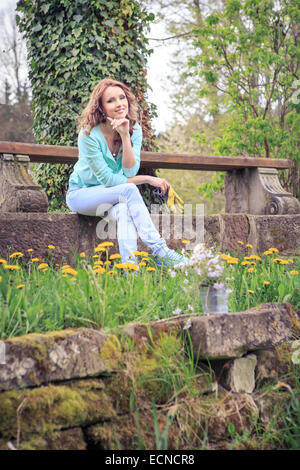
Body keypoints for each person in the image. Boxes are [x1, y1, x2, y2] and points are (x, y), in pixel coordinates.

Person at [66, 78, 186, 269]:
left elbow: (130, 169)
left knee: (123, 210)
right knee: (128, 190)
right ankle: (160, 250)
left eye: (122, 98)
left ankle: (130, 271)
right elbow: (108, 180)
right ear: (101, 107)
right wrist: (148, 179)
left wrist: (124, 135)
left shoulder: (134, 129)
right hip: (82, 194)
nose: (119, 104)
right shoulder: (88, 135)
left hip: (111, 195)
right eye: (111, 100)